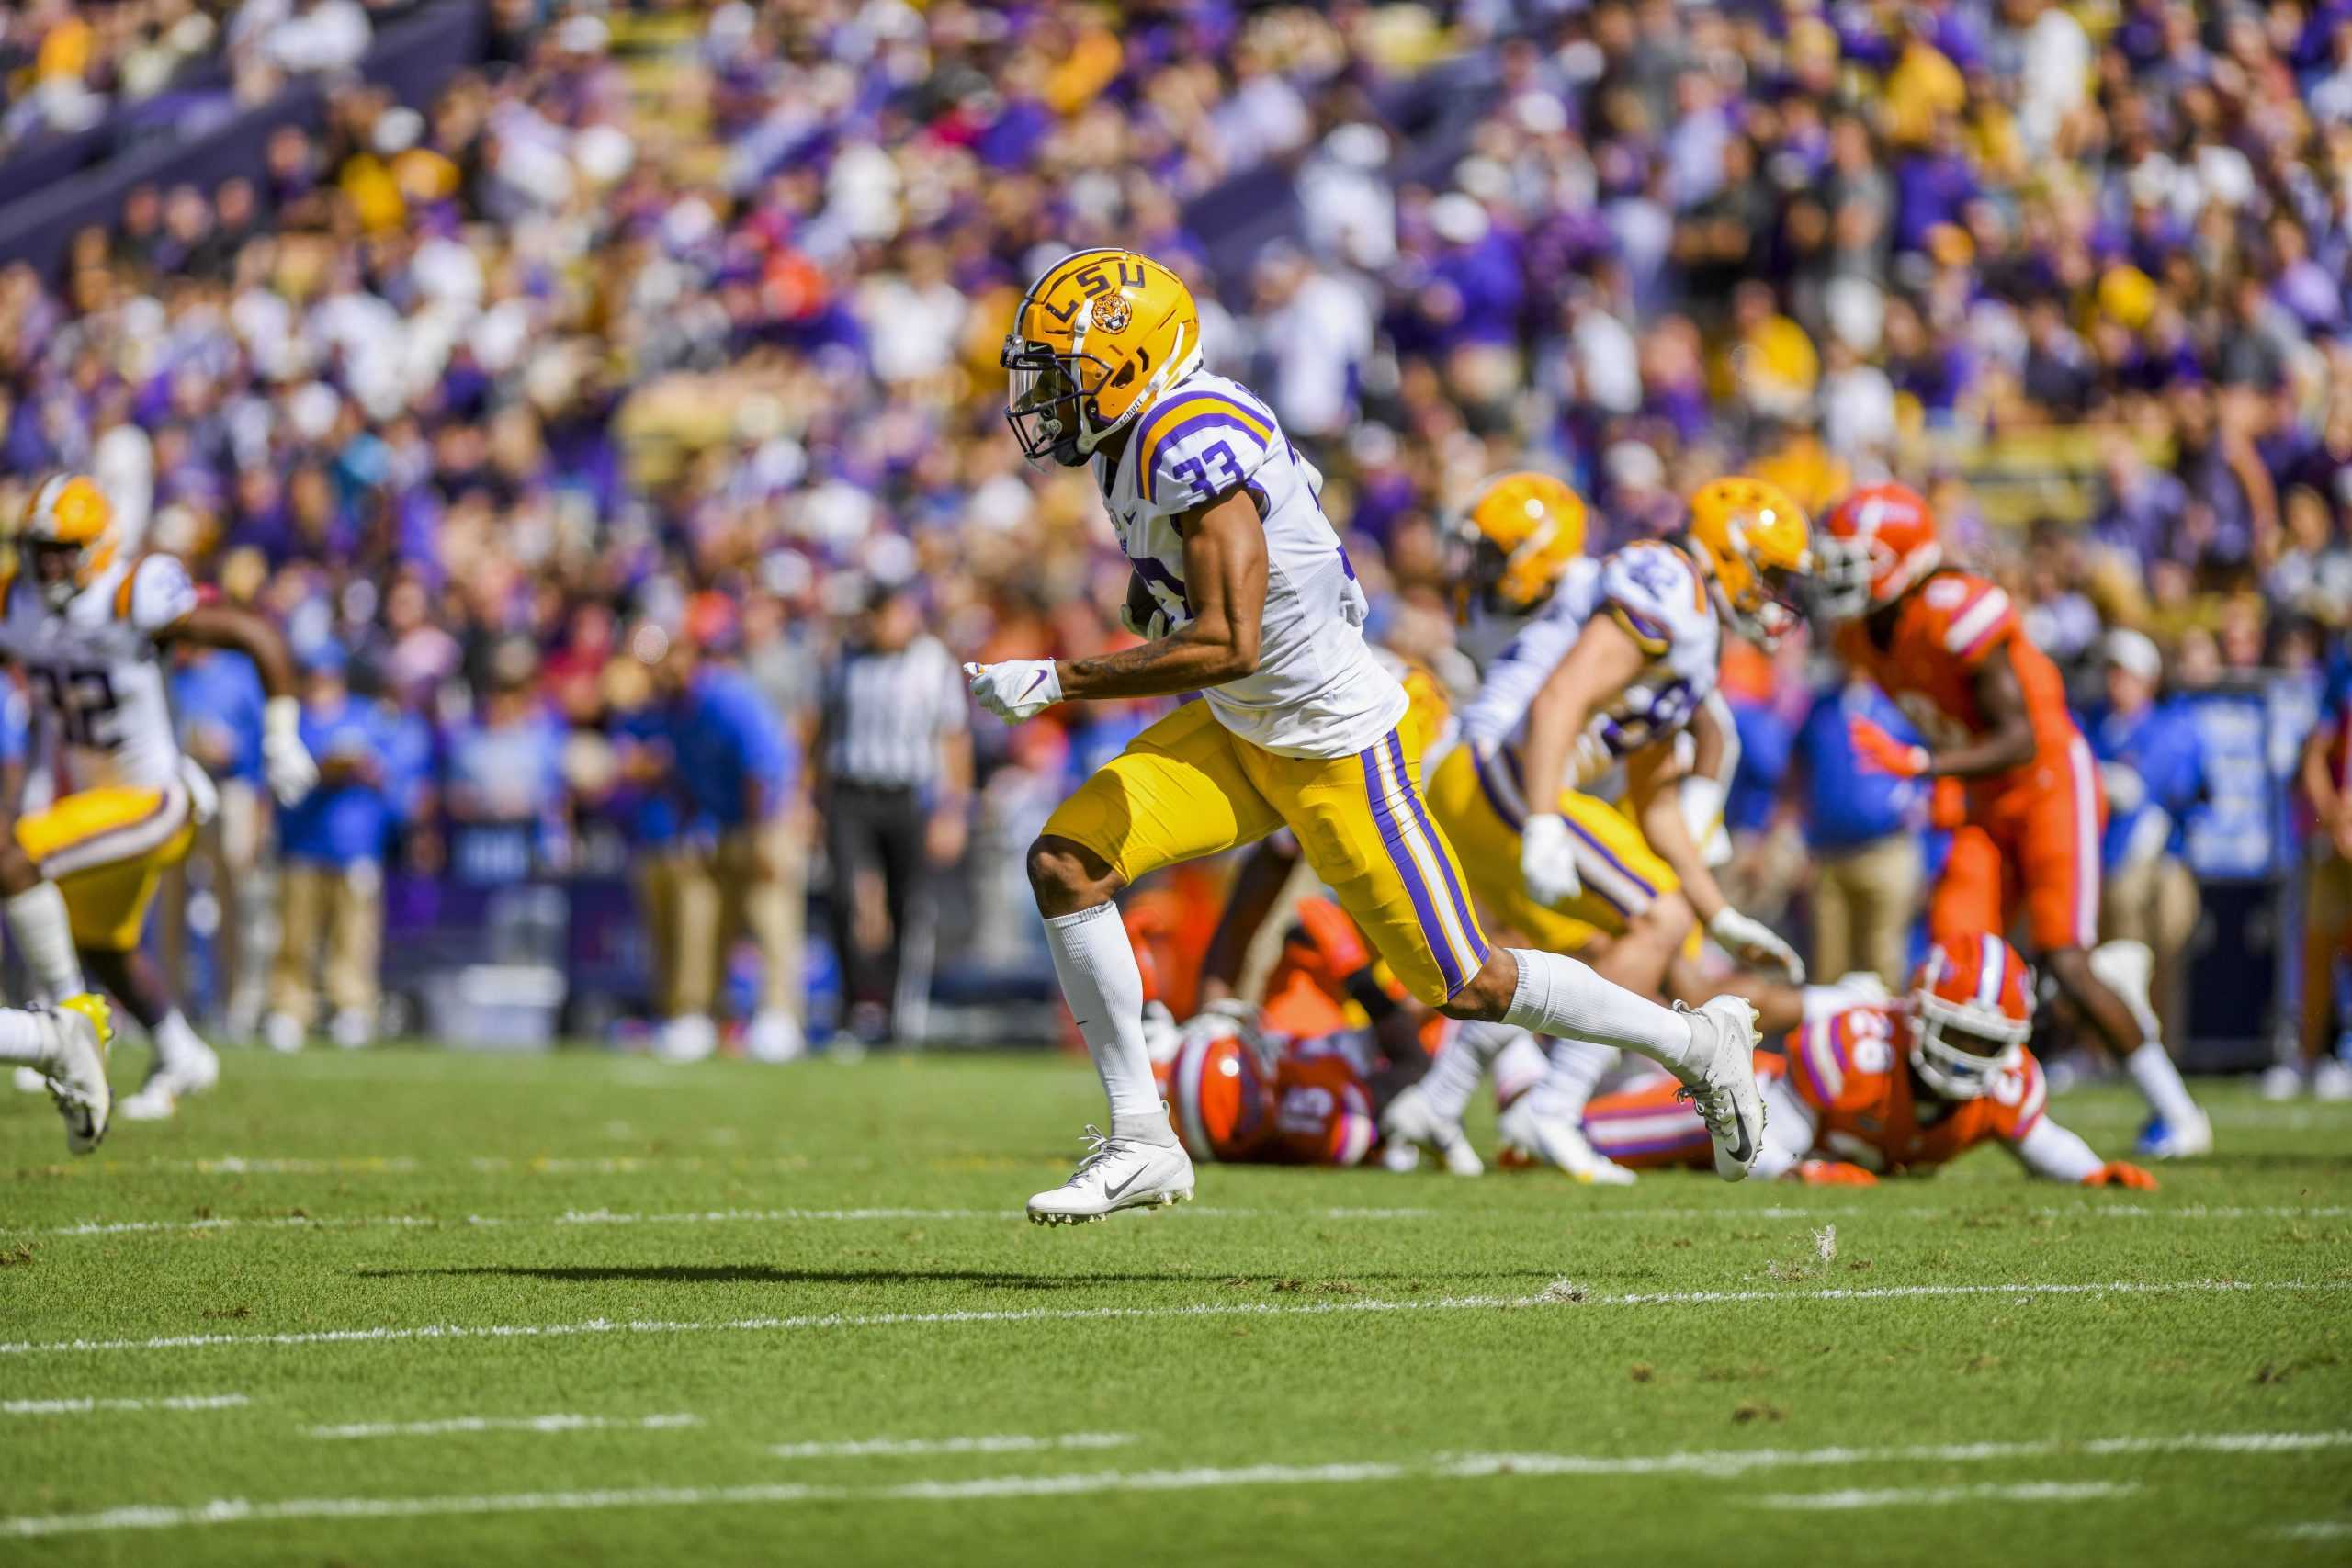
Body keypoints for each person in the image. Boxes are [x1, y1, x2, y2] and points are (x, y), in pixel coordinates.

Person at [967, 249, 1772, 1225]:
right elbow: (1245, 559)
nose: (1047, 397)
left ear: (1132, 361)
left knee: (1469, 981)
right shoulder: (1148, 433)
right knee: (1067, 863)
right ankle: (1143, 1137)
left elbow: (1226, 639)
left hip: (1334, 746)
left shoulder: (1187, 439)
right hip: (1245, 726)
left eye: (1066, 373)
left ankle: (1700, 1048)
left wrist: (1059, 680)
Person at [1396, 472, 1813, 1183]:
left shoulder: (1693, 628)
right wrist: (1547, 823)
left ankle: (1439, 1102)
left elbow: (1652, 799)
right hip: (1503, 769)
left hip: (1493, 782)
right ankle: (1553, 1106)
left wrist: (1721, 916)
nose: (1774, 593)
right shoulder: (1669, 582)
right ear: (1731, 551)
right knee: (1656, 918)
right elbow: (1562, 696)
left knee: (1605, 950)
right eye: (1769, 572)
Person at [1816, 480, 2211, 1158]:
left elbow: (2020, 736)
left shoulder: (1954, 608)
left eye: (1860, 559)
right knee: (1956, 961)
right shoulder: (1862, 633)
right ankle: (1949, 1122)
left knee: (2064, 957)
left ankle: (2179, 1113)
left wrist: (1922, 764)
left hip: (2047, 782)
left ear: (1902, 562)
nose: (1842, 574)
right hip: (1981, 798)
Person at [0, 475, 316, 1120]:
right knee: (104, 944)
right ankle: (180, 1050)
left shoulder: (129, 591)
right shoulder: (18, 601)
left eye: (63, 548)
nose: (48, 562)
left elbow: (256, 635)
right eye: (40, 548)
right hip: (94, 805)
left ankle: (70, 1031)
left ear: (97, 546)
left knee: (14, 857)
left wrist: (281, 736)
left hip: (154, 799)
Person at [1579, 931, 2158, 1190]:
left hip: (1820, 1142)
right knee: (1590, 1139)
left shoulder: (2006, 1085)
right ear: (1917, 1014)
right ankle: (1528, 1088)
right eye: (1958, 1033)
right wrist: (1793, 1172)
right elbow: (1758, 1134)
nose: (1970, 1056)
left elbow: (2042, 1142)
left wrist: (2090, 1174)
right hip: (1760, 1100)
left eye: (1985, 1042)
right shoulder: (1858, 1052)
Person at [815, 579, 971, 1046]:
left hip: (907, 795)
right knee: (844, 894)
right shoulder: (844, 659)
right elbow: (819, 729)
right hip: (851, 791)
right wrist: (811, 800)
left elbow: (953, 737)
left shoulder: (932, 663)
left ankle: (897, 1012)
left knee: (908, 901)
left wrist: (952, 810)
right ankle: (855, 1004)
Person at [652, 627, 805, 1064]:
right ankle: (698, 1013)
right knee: (700, 917)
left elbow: (761, 767)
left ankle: (779, 1016)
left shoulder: (725, 697)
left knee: (769, 913)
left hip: (765, 817)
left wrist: (758, 836)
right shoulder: (673, 707)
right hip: (716, 823)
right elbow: (682, 773)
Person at [263, 644, 400, 1052]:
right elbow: (277, 776)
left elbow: (390, 773)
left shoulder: (368, 717)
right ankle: (290, 1008)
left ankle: (352, 1006)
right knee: (295, 933)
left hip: (354, 841)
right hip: (303, 838)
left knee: (354, 934)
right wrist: (323, 770)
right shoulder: (294, 721)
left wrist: (361, 769)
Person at [2080, 629, 2207, 1056]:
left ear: (2147, 679)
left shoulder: (2170, 727)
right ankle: (2104, 1050)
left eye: (2125, 674)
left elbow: (2174, 793)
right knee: (2102, 960)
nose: (2116, 683)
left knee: (2163, 956)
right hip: (2101, 867)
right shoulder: (2095, 727)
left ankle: (2161, 1052)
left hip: (2162, 865)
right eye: (2111, 673)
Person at [1787, 679, 1930, 987]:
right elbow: (1797, 772)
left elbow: (1931, 768)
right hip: (1828, 853)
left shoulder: (1899, 704)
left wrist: (1931, 852)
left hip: (1887, 848)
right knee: (1828, 966)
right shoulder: (1821, 705)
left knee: (1883, 964)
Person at [2287, 654, 2352, 1100]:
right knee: (2319, 943)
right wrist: (2334, 817)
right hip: (2338, 835)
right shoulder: (2342, 669)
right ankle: (2308, 1059)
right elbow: (2316, 754)